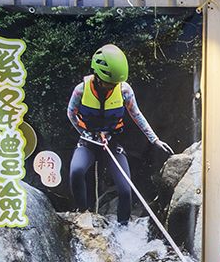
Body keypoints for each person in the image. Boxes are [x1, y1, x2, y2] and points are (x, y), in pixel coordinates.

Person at [67, 44, 172, 224]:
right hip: (88, 143)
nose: (112, 86)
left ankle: (123, 227)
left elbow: (137, 115)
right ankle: (83, 213)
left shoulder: (124, 90)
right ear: (97, 75)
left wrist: (154, 139)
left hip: (112, 143)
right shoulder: (81, 90)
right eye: (109, 82)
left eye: (115, 83)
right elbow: (71, 113)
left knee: (125, 188)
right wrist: (85, 133)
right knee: (76, 171)